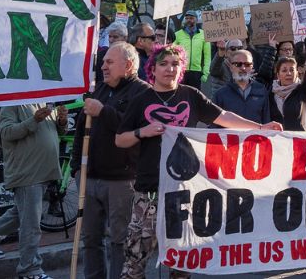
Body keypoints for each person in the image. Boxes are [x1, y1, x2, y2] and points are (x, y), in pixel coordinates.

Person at [115, 44, 279, 279]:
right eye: (163, 64)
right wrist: (143, 132)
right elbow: (120, 139)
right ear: (153, 69)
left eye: (175, 64)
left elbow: (224, 117)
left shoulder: (190, 95)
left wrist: (261, 128)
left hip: (182, 192)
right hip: (149, 192)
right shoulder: (141, 100)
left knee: (182, 262)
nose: (170, 69)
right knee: (135, 260)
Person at [0, 102, 63, 279]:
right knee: (31, 224)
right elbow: (6, 133)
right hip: (28, 173)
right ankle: (29, 269)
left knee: (22, 213)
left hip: (44, 171)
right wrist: (34, 120)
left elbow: (53, 131)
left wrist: (61, 122)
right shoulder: (12, 104)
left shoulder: (45, 101)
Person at [81, 42, 148, 279]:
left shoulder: (143, 92)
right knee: (90, 238)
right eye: (103, 62)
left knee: (120, 240)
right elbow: (82, 129)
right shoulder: (99, 88)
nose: (103, 66)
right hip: (90, 177)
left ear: (128, 65)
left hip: (122, 179)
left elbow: (137, 131)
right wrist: (77, 168)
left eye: (109, 62)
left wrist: (103, 112)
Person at [213, 45, 273, 122]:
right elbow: (214, 124)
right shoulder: (220, 94)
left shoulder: (261, 90)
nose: (243, 68)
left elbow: (266, 121)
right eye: (238, 64)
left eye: (247, 64)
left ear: (252, 66)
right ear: (231, 67)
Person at [174, 13, 210, 88]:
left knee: (194, 94)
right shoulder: (177, 34)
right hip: (181, 70)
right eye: (186, 18)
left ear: (196, 19)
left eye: (191, 18)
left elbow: (207, 55)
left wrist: (205, 73)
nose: (188, 20)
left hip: (196, 72)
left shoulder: (204, 35)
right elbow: (172, 52)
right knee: (181, 93)